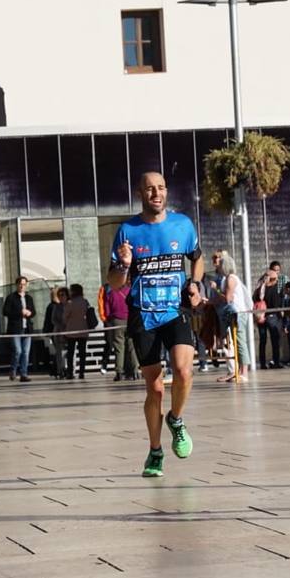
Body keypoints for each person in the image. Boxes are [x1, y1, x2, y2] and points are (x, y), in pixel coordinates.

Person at [108, 171, 204, 478]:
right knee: (155, 388)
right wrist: (124, 264)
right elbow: (114, 282)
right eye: (150, 189)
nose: (156, 193)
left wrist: (195, 283)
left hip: (176, 310)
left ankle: (175, 419)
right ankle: (155, 450)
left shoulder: (183, 224)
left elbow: (197, 257)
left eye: (161, 188)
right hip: (143, 314)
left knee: (184, 370)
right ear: (141, 193)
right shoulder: (127, 231)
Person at [211, 249, 254, 383]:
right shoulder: (227, 279)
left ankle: (244, 372)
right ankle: (238, 371)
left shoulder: (231, 278)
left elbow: (228, 298)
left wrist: (215, 290)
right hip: (232, 313)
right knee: (234, 342)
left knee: (240, 341)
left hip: (237, 313)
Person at [103, 280, 139, 381]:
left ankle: (119, 372)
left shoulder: (111, 293)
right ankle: (135, 370)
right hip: (130, 320)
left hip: (117, 321)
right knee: (132, 346)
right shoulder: (130, 291)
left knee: (119, 347)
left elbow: (107, 309)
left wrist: (109, 320)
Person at [1, 275, 35, 382]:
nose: (22, 286)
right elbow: (5, 312)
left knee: (26, 352)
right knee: (18, 351)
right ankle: (13, 370)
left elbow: (34, 311)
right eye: (20, 284)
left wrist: (30, 313)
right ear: (17, 285)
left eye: (24, 284)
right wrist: (20, 313)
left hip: (27, 329)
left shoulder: (29, 298)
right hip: (15, 329)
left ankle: (24, 374)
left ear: (26, 285)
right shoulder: (11, 297)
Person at [252, 264, 286, 369]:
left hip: (274, 315)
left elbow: (280, 299)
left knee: (275, 339)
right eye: (274, 270)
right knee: (263, 339)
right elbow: (258, 297)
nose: (276, 272)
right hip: (262, 315)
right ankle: (263, 363)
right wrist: (264, 283)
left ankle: (276, 361)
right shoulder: (263, 283)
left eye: (278, 270)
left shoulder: (280, 283)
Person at [62, 283, 90, 379]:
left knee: (70, 353)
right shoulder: (85, 301)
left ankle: (70, 372)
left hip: (71, 331)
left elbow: (64, 317)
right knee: (82, 353)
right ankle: (82, 372)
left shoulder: (70, 303)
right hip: (83, 329)